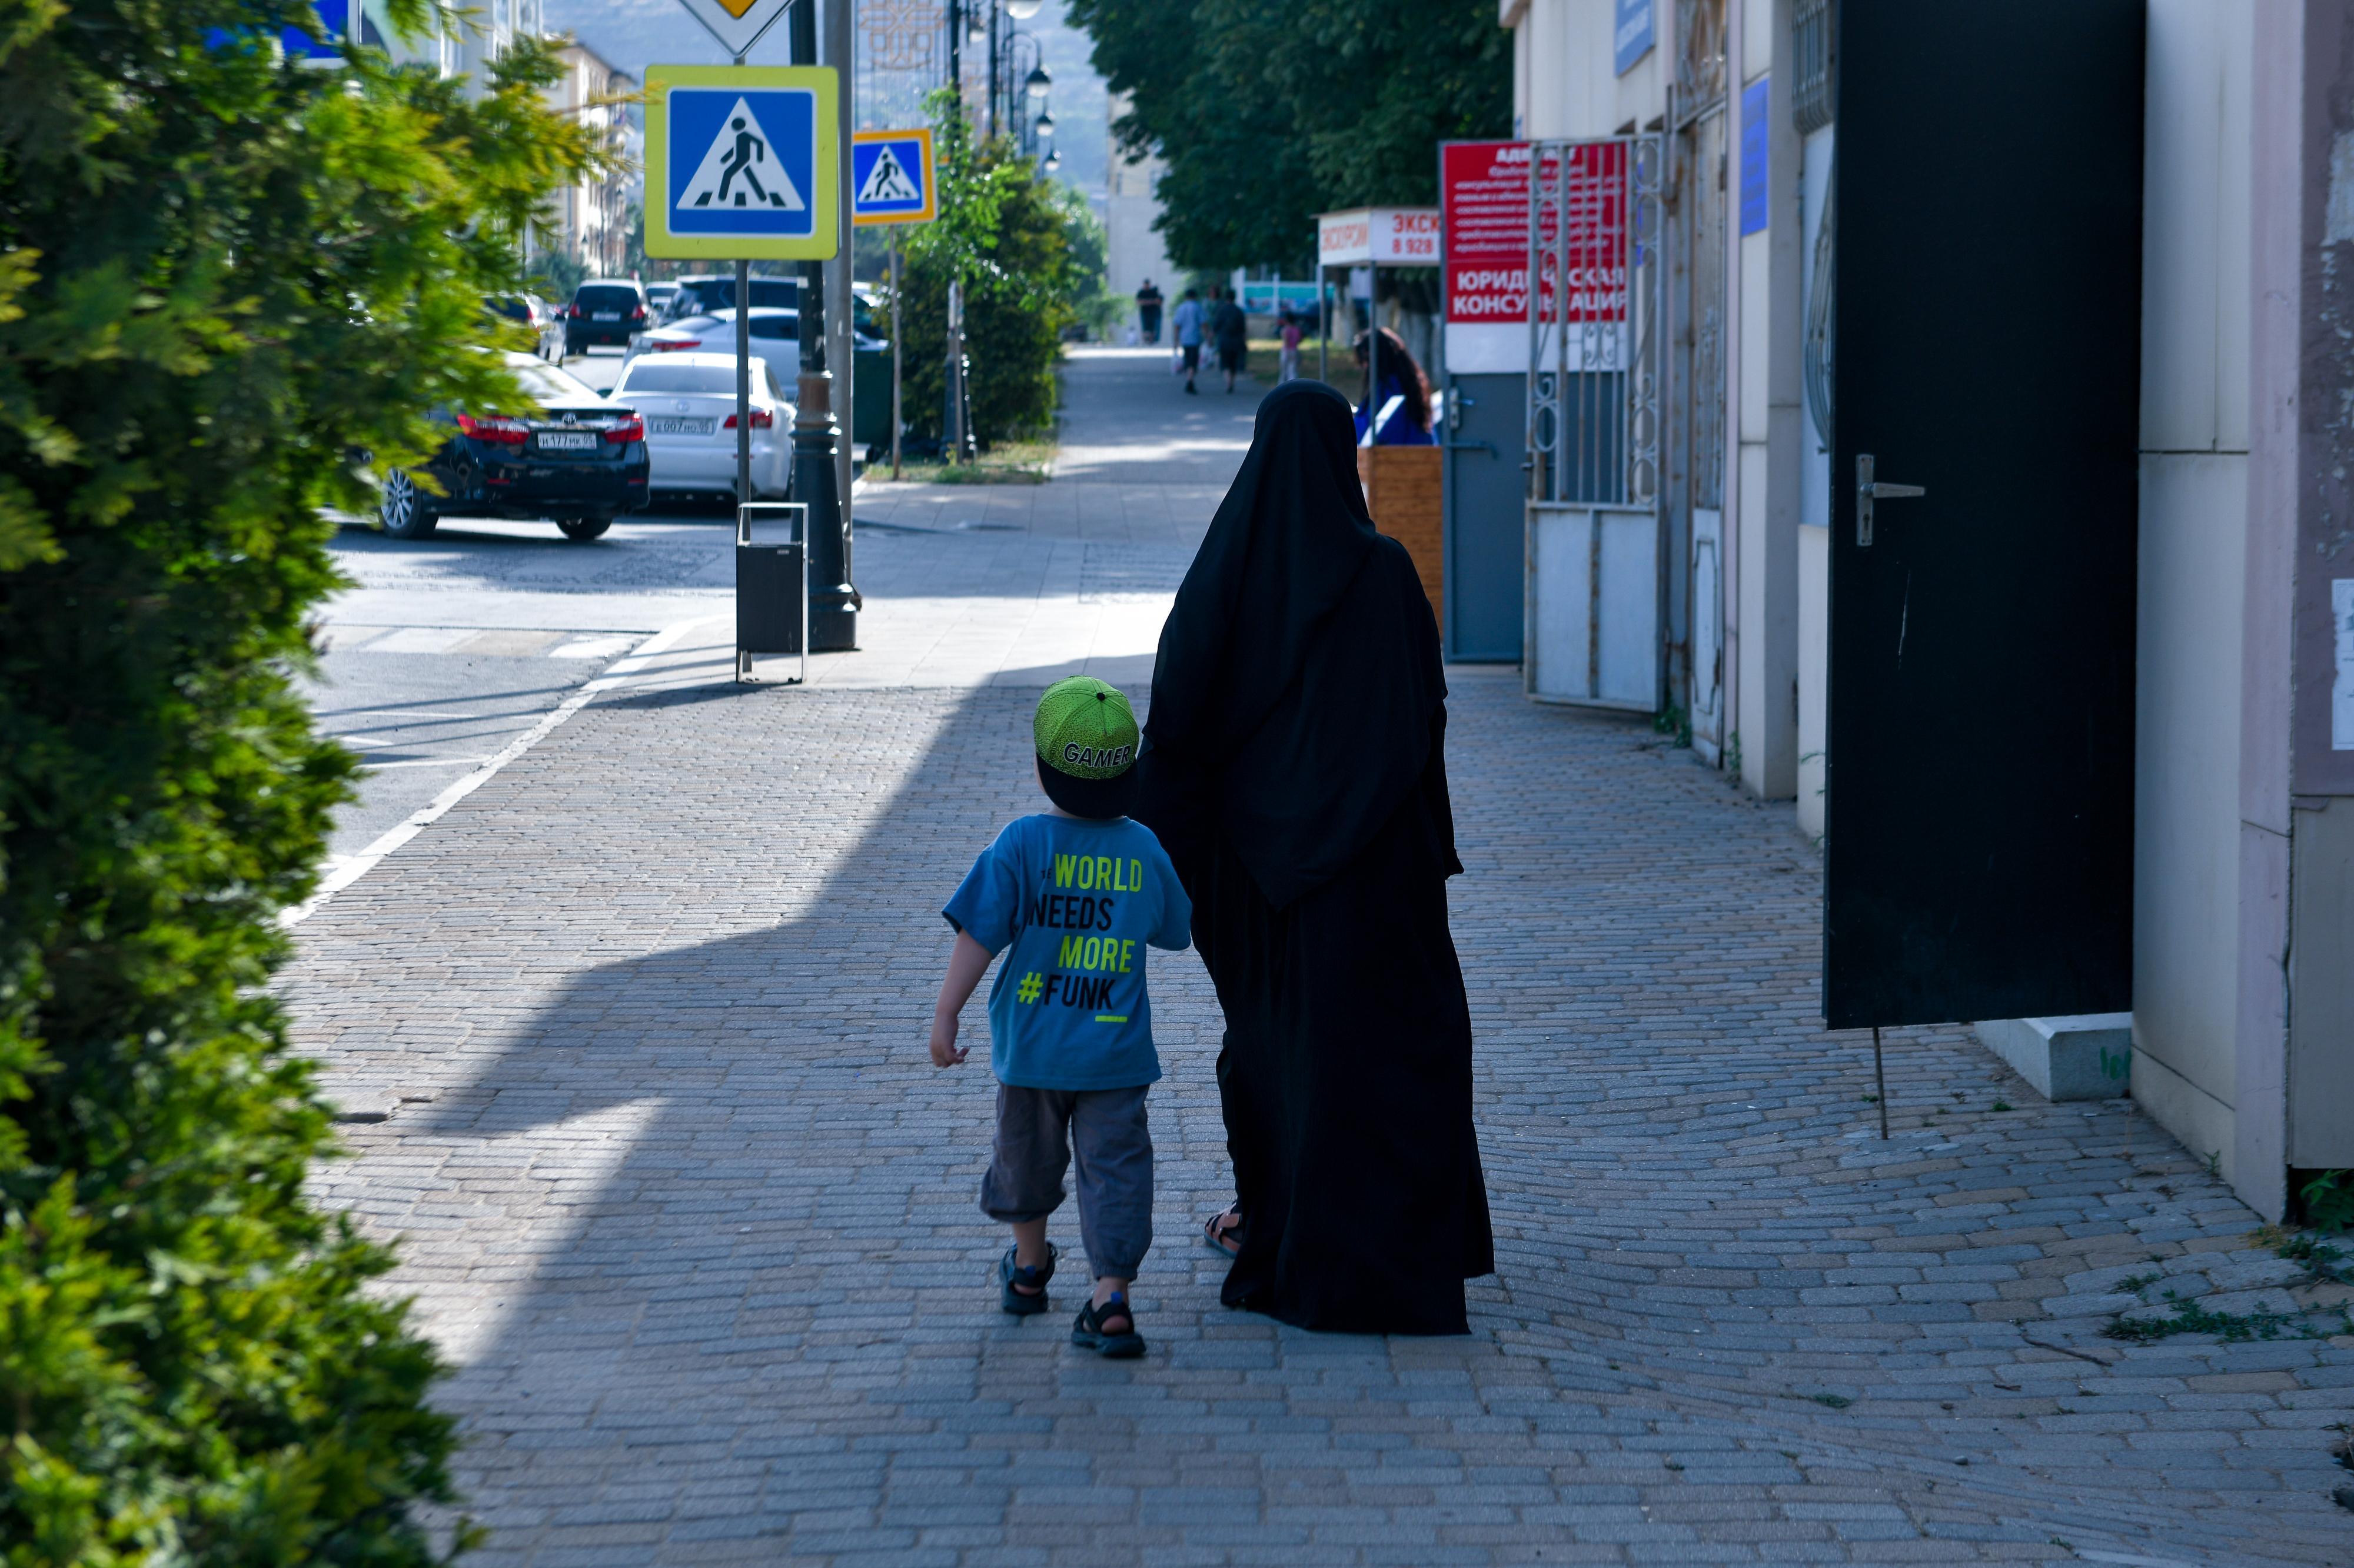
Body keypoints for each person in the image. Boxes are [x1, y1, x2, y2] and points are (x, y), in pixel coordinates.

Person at [1131, 380, 1493, 1336]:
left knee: (1271, 1058)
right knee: (1395, 1056)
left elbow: (1175, 723)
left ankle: (1275, 1227)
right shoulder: (1385, 573)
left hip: (1257, 882)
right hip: (1377, 873)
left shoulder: (1226, 573)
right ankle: (1400, 1252)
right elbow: (1425, 718)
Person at [930, 677, 1194, 1359]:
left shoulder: (1020, 844)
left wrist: (946, 1014)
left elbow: (978, 936)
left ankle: (1027, 1268)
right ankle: (1111, 1297)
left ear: (1044, 764)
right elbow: (1174, 929)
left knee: (1026, 1159)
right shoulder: (1142, 847)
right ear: (1128, 772)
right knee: (1117, 1171)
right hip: (1116, 1053)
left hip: (1032, 1048)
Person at [1352, 327, 1437, 445]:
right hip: (1422, 454)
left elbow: (1371, 431)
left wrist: (1350, 420)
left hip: (1395, 457)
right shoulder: (1410, 383)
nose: (1364, 367)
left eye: (1365, 361)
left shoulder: (1387, 389)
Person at [1212, 286, 1249, 393]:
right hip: (1236, 341)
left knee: (1225, 363)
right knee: (1233, 363)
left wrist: (1211, 337)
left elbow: (1216, 326)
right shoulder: (1239, 311)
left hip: (1224, 341)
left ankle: (1228, 382)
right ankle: (1232, 382)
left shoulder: (1221, 310)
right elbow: (1243, 329)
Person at [1171, 288, 1204, 395]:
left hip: (1185, 338)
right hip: (1195, 338)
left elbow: (1177, 325)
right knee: (1192, 361)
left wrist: (1176, 339)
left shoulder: (1181, 308)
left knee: (1187, 359)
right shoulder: (1197, 307)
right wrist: (1207, 336)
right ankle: (1190, 380)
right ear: (1195, 296)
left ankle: (1189, 379)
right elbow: (1204, 323)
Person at [1136, 278, 1165, 344]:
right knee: (1145, 327)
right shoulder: (1141, 292)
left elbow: (1158, 301)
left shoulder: (1153, 292)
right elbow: (1138, 302)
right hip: (1144, 313)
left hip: (1153, 313)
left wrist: (1147, 302)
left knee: (1152, 328)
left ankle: (1152, 340)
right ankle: (1146, 340)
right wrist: (1150, 302)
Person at [1278, 309, 1303, 384]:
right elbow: (1299, 340)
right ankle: (1293, 384)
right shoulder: (1297, 329)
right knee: (1293, 370)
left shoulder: (1285, 330)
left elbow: (1286, 341)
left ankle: (1282, 385)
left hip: (1286, 351)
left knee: (1284, 371)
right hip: (1294, 350)